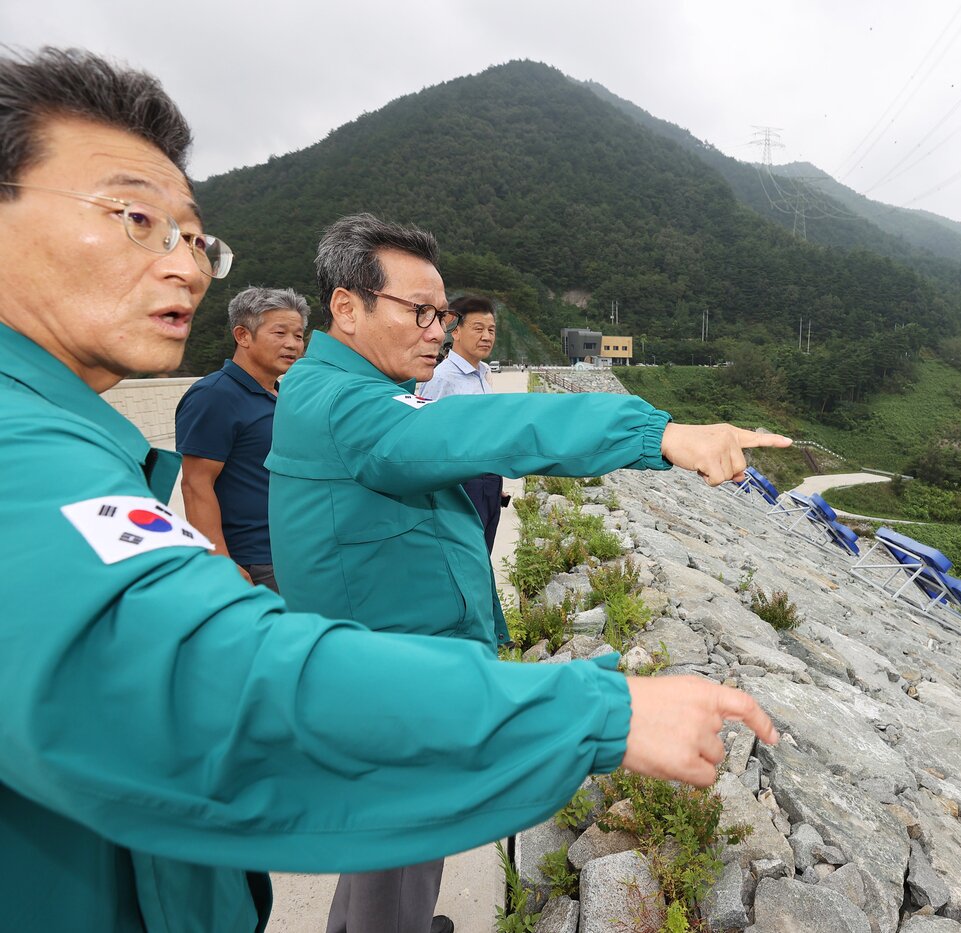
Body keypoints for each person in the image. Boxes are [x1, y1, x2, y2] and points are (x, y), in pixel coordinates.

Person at [0, 47, 783, 933]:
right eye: (137, 219)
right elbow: (203, 675)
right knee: (391, 865)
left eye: (192, 236)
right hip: (382, 672)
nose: (184, 265)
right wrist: (599, 703)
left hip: (391, 674)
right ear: (346, 308)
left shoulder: (90, 426)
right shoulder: (319, 406)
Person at [268, 213, 789, 933]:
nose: (438, 331)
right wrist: (657, 434)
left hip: (398, 663)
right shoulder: (341, 403)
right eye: (419, 312)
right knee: (397, 851)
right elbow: (480, 429)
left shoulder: (344, 387)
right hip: (395, 684)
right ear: (347, 307)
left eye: (442, 315)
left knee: (389, 852)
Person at [175, 286, 308, 590]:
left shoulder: (282, 394)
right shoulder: (214, 395)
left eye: (299, 335)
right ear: (243, 335)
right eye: (280, 333)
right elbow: (196, 484)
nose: (292, 344)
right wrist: (219, 560)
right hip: (255, 560)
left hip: (292, 551)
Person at [418, 295, 506, 552]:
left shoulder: (483, 373)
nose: (487, 336)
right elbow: (426, 438)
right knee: (464, 555)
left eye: (491, 330)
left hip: (489, 480)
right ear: (455, 331)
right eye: (478, 328)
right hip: (461, 484)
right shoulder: (441, 378)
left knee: (483, 555)